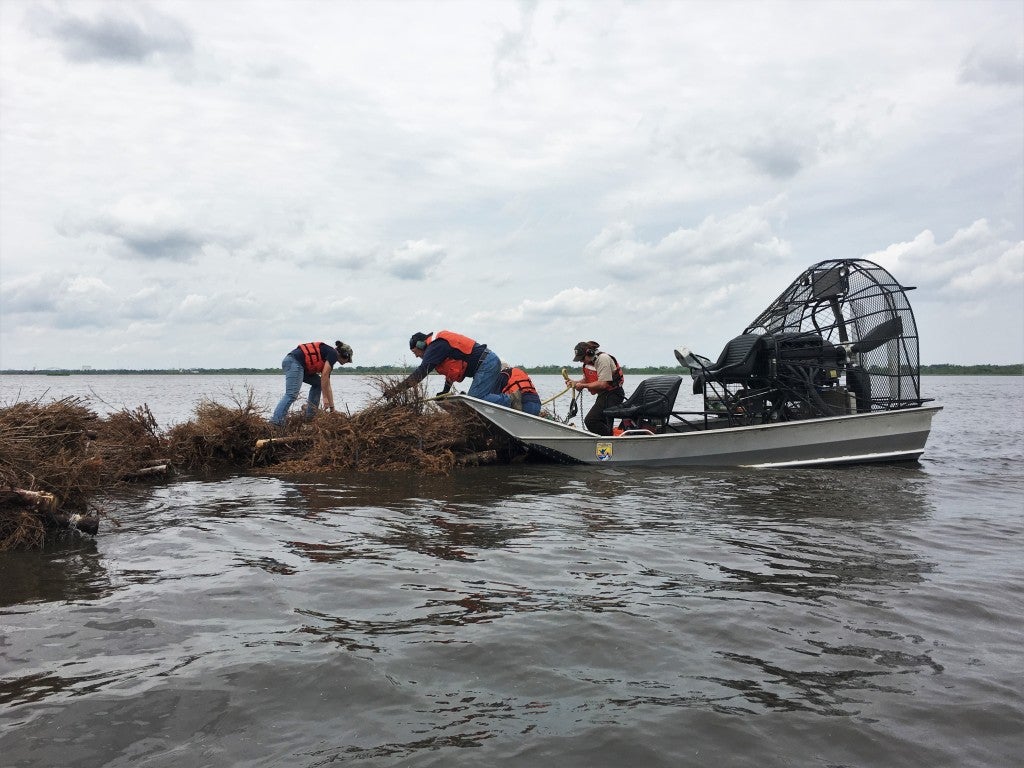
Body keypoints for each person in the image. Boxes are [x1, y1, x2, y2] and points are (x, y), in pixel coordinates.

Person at [385, 330, 501, 399]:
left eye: (415, 352)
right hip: (486, 363)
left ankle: (511, 400)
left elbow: (420, 374)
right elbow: (452, 371)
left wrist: (395, 391)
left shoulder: (435, 347)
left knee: (476, 400)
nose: (416, 356)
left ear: (421, 345)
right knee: (477, 401)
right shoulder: (437, 348)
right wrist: (445, 391)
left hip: (486, 363)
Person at [270, 340, 353, 427]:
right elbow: (324, 375)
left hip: (299, 366)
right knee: (291, 394)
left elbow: (327, 384)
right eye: (348, 360)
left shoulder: (330, 357)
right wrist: (325, 398)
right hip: (294, 362)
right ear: (345, 355)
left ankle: (310, 418)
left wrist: (332, 409)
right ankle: (276, 422)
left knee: (318, 384)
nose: (347, 362)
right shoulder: (333, 354)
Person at [569, 340, 625, 436]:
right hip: (604, 395)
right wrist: (575, 383)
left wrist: (582, 386)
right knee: (598, 421)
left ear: (589, 353)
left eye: (582, 358)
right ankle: (609, 438)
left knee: (591, 421)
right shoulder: (590, 362)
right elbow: (587, 380)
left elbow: (603, 384)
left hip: (613, 394)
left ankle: (611, 439)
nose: (581, 361)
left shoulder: (603, 359)